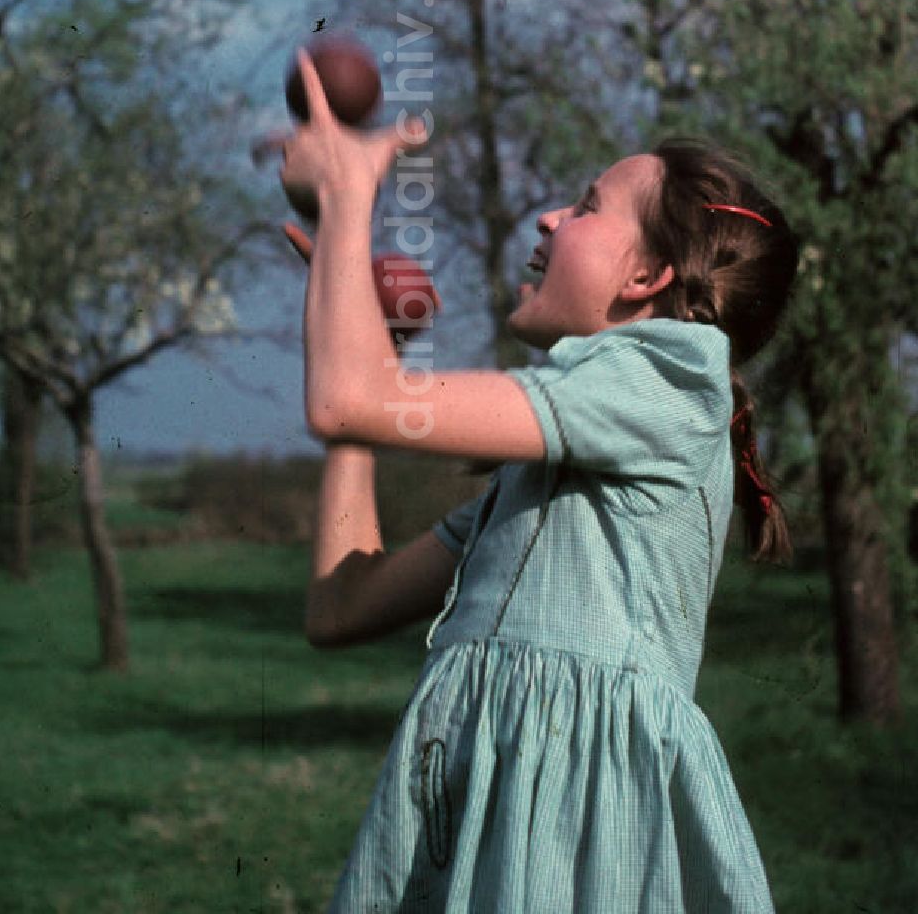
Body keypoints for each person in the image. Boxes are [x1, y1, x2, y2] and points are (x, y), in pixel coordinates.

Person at [278, 50, 800, 913]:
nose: (552, 218)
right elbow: (342, 607)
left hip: (577, 834)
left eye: (589, 207)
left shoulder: (666, 379)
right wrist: (370, 366)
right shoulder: (548, 485)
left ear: (645, 279)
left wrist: (346, 198)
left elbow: (347, 398)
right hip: (486, 822)